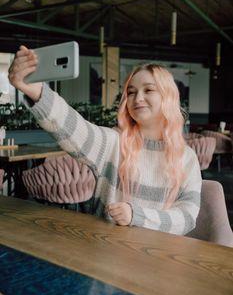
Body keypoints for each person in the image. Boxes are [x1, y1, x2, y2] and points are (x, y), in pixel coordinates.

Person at [8, 45, 202, 235]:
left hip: (160, 255)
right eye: (131, 92)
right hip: (106, 251)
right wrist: (37, 91)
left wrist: (137, 216)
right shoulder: (114, 142)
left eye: (149, 90)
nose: (137, 98)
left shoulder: (187, 157)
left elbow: (187, 217)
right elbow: (74, 129)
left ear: (168, 97)